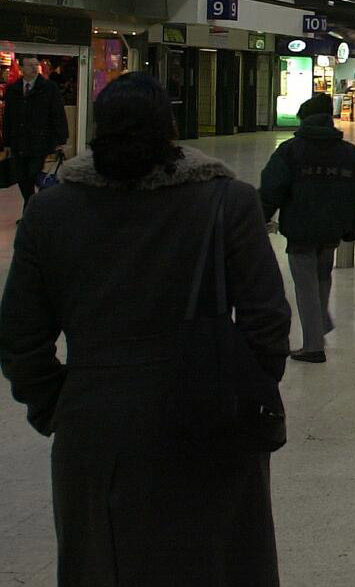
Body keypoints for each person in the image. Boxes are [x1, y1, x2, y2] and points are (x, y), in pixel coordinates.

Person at [0, 73, 291, 586]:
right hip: (212, 418)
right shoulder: (227, 202)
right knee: (218, 561)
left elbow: (20, 336)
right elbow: (267, 321)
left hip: (96, 425)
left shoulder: (51, 212)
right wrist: (242, 388)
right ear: (171, 130)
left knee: (106, 561)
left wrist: (58, 406)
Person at [260, 92, 355, 364]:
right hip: (332, 231)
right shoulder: (347, 152)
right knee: (322, 280)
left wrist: (259, 217)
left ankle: (312, 346)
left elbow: (272, 188)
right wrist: (351, 227)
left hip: (300, 230)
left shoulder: (290, 151)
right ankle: (319, 329)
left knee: (306, 287)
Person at [3, 54, 69, 210]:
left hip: (40, 141)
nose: (34, 68)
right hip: (19, 141)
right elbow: (8, 117)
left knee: (33, 174)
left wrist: (61, 139)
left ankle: (30, 208)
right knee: (21, 177)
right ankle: (31, 205)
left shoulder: (49, 88)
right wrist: (6, 142)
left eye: (35, 64)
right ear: (21, 68)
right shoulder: (13, 90)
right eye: (30, 65)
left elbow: (57, 113)